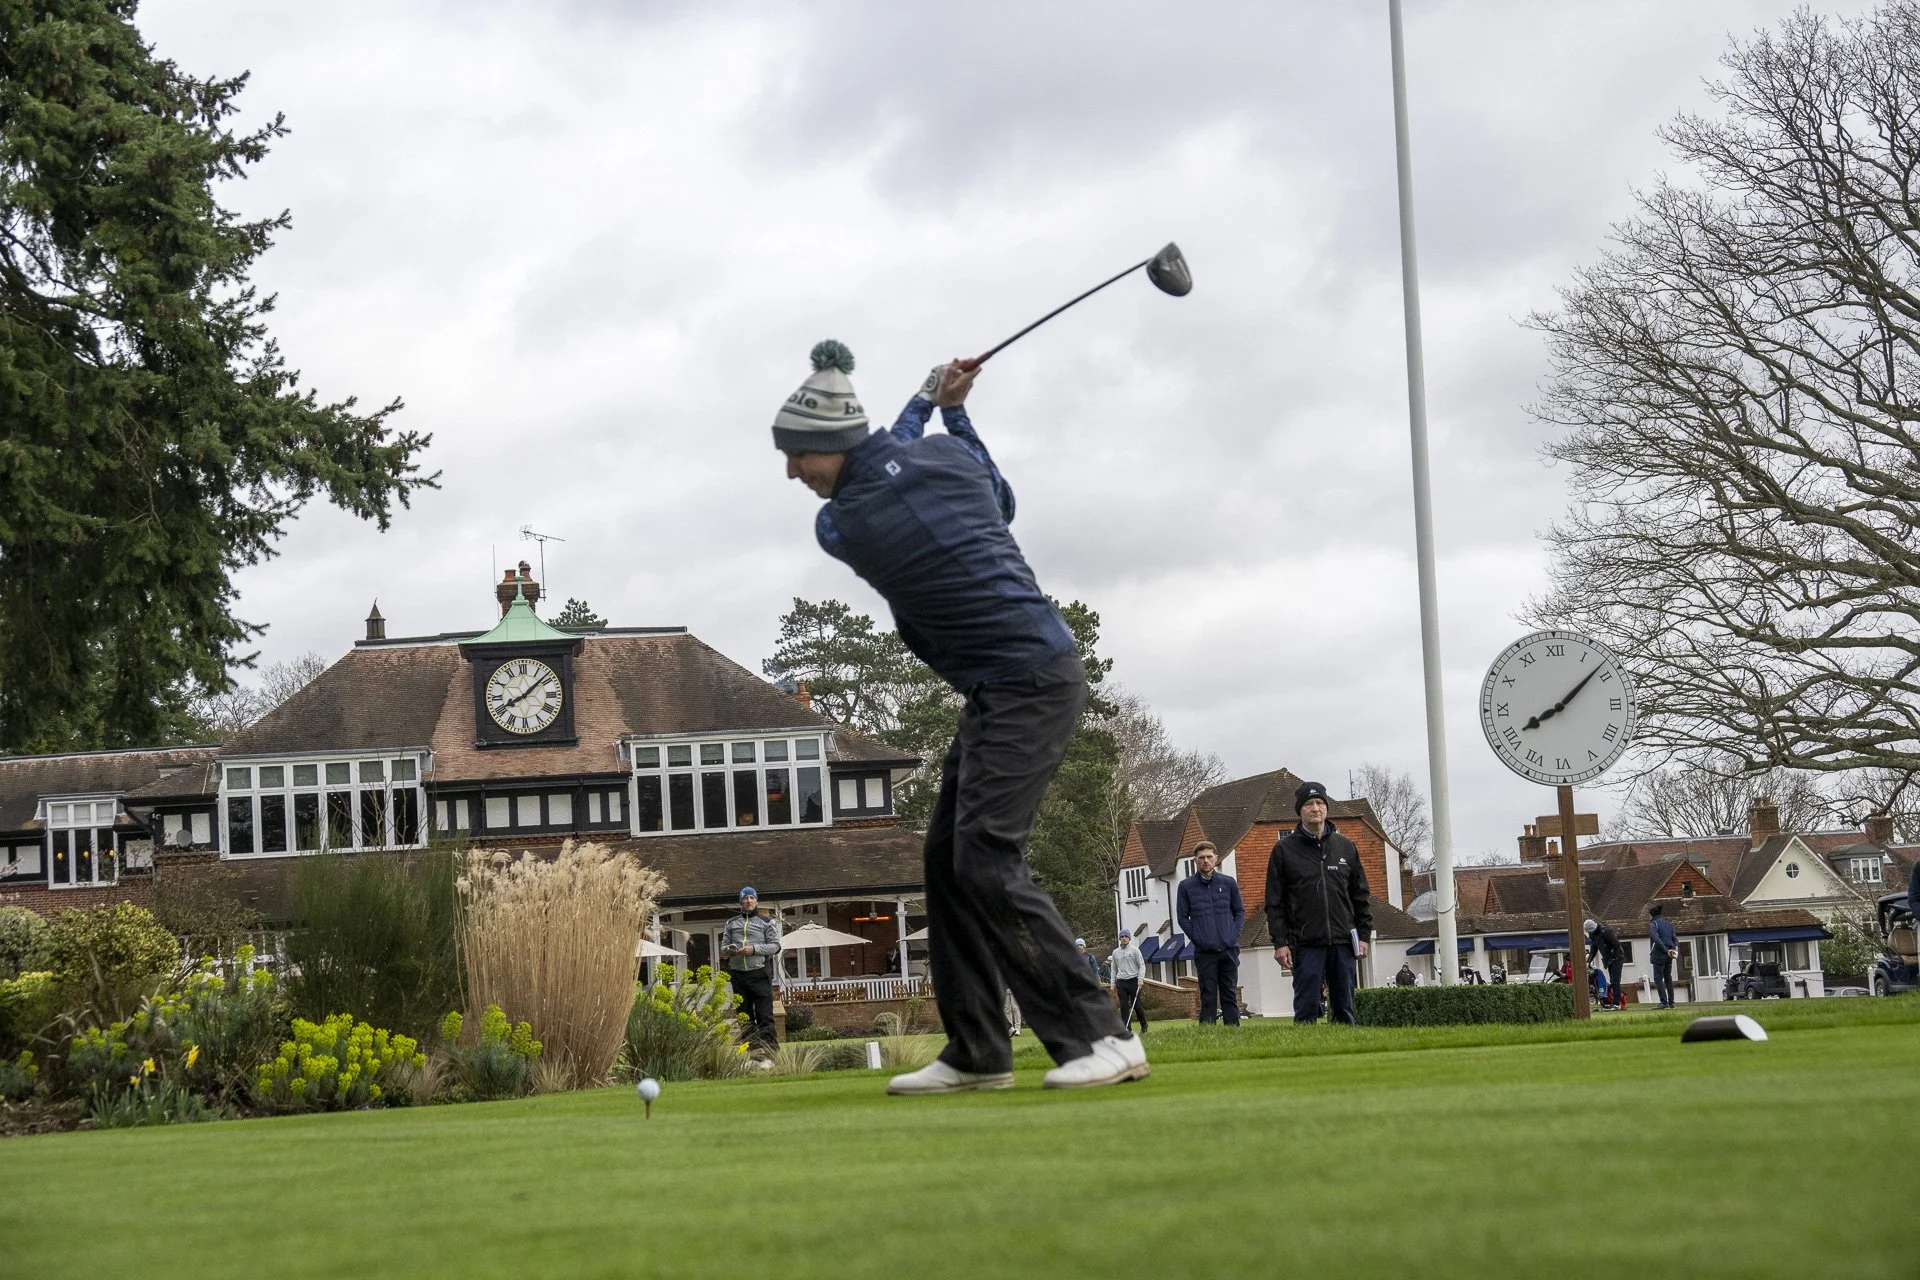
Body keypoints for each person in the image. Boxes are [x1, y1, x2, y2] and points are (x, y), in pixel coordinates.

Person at [777, 341, 1142, 1093]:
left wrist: (926, 403)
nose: (792, 473)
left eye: (797, 456)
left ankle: (1100, 1035)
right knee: (947, 860)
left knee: (985, 856)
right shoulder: (951, 462)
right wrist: (953, 412)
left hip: (1030, 681)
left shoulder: (844, 523)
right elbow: (994, 496)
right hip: (1006, 683)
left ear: (833, 446)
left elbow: (889, 463)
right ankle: (978, 1050)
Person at [1267, 782, 1372, 1025]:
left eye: (1320, 803)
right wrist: (1280, 943)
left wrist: (1364, 935)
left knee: (1345, 1008)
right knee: (1306, 1009)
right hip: (1305, 943)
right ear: (1300, 810)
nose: (1315, 809)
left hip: (1343, 941)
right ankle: (1306, 1056)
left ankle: (1346, 1054)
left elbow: (1360, 895)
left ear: (1326, 808)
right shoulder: (1284, 850)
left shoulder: (1346, 847)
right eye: (1309, 804)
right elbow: (1274, 902)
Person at [1176, 841, 1245, 1026]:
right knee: (1208, 995)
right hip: (1205, 951)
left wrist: (1233, 933)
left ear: (1216, 858)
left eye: (1209, 857)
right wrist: (1198, 938)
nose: (1205, 861)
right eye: (1201, 858)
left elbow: (1239, 911)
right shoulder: (1186, 886)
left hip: (1229, 948)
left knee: (1229, 993)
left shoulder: (1228, 883)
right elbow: (1182, 917)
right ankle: (1207, 1033)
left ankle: (1233, 1032)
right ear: (1195, 861)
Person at [721, 886, 783, 1054]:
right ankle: (754, 1056)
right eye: (745, 898)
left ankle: (771, 1055)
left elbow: (776, 946)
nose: (748, 901)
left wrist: (753, 949)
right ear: (740, 902)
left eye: (751, 898)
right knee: (744, 1018)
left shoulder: (766, 922)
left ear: (756, 901)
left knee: (765, 1016)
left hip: (759, 974)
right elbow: (723, 949)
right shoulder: (731, 923)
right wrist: (730, 950)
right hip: (739, 976)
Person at [1109, 930, 1148, 1035]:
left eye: (1126, 936)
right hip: (1121, 982)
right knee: (1124, 1006)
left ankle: (1144, 1025)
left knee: (1137, 1005)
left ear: (1129, 938)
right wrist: (1112, 984)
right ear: (1119, 939)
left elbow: (1142, 965)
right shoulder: (1115, 952)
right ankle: (1127, 1029)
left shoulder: (1135, 950)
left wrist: (1140, 979)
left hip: (1134, 980)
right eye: (1122, 937)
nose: (1124, 938)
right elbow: (1113, 969)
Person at [1585, 918, 1625, 1010]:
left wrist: (1612, 957)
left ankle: (1616, 1004)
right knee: (1612, 980)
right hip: (1609, 959)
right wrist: (1588, 961)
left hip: (1617, 958)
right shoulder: (1593, 934)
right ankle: (1615, 1002)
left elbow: (1616, 945)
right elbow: (1594, 949)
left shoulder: (1606, 931)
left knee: (1615, 980)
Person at [1648, 904, 1680, 1009]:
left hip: (1659, 953)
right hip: (1670, 952)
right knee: (1668, 978)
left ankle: (1664, 1002)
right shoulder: (1668, 923)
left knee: (1658, 978)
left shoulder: (1653, 924)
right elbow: (1675, 938)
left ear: (1652, 915)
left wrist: (1665, 951)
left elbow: (1656, 939)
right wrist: (1673, 950)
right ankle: (1671, 1002)